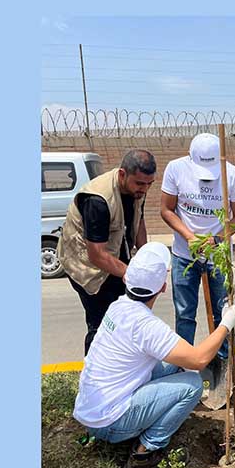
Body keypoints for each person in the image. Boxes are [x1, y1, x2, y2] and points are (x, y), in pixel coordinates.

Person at [73, 242, 235, 468]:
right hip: (109, 423)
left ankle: (146, 418)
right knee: (192, 383)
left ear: (126, 280)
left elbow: (180, 355)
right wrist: (226, 324)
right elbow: (200, 359)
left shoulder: (117, 307)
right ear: (163, 287)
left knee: (175, 363)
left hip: (91, 410)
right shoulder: (146, 327)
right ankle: (145, 453)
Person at [160, 133, 235, 360]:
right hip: (183, 255)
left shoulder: (234, 175)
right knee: (184, 313)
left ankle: (222, 362)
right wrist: (189, 236)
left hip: (218, 257)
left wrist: (217, 238)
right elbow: (166, 210)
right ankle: (184, 361)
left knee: (222, 314)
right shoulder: (176, 169)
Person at [58, 149, 156, 355]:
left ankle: (118, 369)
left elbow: (139, 221)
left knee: (122, 320)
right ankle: (94, 380)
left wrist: (146, 256)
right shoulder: (98, 200)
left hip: (113, 258)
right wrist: (133, 274)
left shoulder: (137, 190)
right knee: (102, 325)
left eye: (149, 184)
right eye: (140, 183)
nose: (144, 189)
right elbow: (97, 255)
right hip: (86, 266)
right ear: (122, 174)